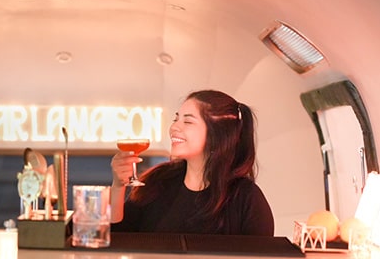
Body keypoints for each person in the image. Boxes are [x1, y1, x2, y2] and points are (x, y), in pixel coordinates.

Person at [110, 89, 274, 235]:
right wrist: (118, 185)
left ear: (216, 135)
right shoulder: (158, 181)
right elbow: (116, 235)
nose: (174, 127)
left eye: (187, 121)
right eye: (176, 119)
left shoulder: (246, 198)